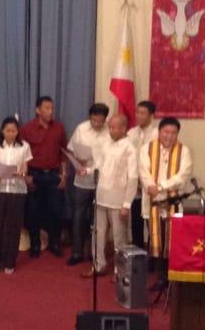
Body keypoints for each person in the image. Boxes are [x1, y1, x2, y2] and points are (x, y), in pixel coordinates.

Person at [79, 115, 138, 282]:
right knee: (97, 233)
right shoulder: (105, 144)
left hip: (118, 200)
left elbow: (133, 178)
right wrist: (88, 171)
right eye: (110, 127)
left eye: (116, 127)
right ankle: (98, 265)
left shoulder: (129, 148)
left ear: (124, 128)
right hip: (101, 196)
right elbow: (99, 165)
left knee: (119, 237)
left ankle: (121, 271)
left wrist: (126, 204)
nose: (112, 130)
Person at [139, 117, 192, 291]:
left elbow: (183, 176)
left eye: (173, 133)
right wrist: (150, 186)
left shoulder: (184, 151)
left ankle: (173, 276)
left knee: (173, 240)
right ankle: (161, 276)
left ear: (177, 134)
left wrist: (161, 186)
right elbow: (143, 171)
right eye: (166, 132)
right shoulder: (147, 148)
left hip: (173, 202)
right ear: (159, 132)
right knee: (155, 238)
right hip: (153, 202)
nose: (169, 136)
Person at [21, 96, 68, 258]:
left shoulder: (59, 128)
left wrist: (64, 175)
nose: (50, 111)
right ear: (38, 110)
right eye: (47, 108)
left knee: (56, 210)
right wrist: (26, 176)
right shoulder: (27, 129)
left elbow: (63, 153)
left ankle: (54, 242)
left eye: (52, 108)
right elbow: (23, 155)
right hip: (34, 174)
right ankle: (35, 244)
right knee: (33, 211)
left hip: (54, 174)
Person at [0, 117, 32, 274]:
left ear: (17, 131)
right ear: (2, 131)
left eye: (13, 131)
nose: (11, 134)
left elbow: (25, 167)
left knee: (13, 226)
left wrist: (22, 173)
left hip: (16, 189)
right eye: (8, 130)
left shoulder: (24, 146)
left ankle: (9, 261)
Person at [66, 103, 110, 265]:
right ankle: (77, 252)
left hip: (102, 180)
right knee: (79, 216)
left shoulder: (109, 131)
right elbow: (71, 149)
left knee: (98, 219)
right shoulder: (81, 129)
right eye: (94, 120)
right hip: (82, 179)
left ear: (105, 119)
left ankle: (95, 252)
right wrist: (77, 160)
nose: (97, 124)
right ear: (89, 117)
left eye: (100, 121)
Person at [127, 101, 158, 248]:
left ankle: (154, 254)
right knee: (136, 220)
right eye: (137, 112)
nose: (138, 116)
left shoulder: (157, 134)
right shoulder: (131, 133)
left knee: (151, 221)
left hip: (150, 184)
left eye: (142, 113)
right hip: (134, 183)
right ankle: (137, 251)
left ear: (151, 116)